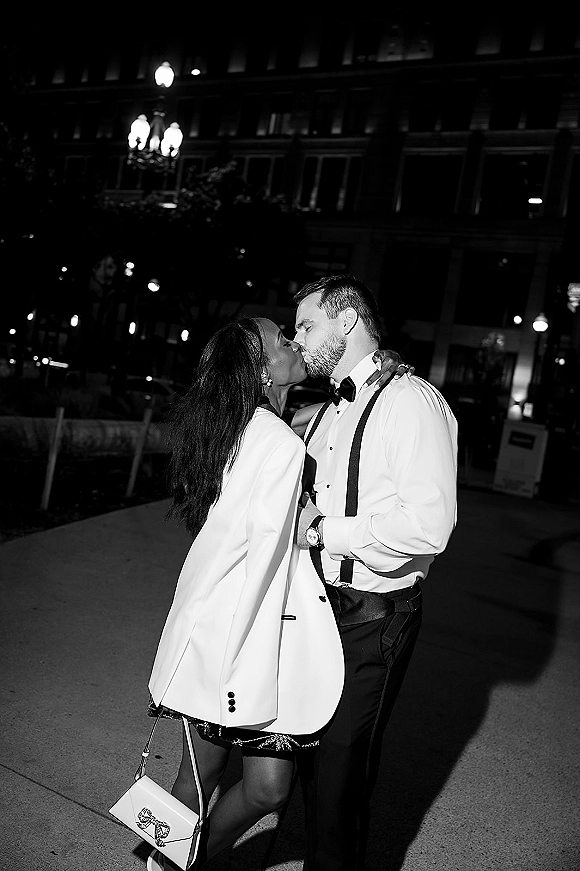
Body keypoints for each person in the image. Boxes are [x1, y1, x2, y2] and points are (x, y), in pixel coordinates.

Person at [146, 317, 345, 870]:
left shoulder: (240, 428)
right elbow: (263, 562)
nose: (295, 342)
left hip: (221, 629)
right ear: (262, 369)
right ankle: (165, 865)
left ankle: (183, 863)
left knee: (256, 788)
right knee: (210, 778)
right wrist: (238, 667)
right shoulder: (277, 442)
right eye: (283, 339)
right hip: (245, 639)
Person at [293, 274, 458, 871]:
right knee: (314, 764)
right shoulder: (330, 413)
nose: (298, 337)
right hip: (317, 609)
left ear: (347, 319)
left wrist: (322, 531)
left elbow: (427, 525)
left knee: (341, 770)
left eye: (308, 324)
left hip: (374, 615)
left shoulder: (411, 402)